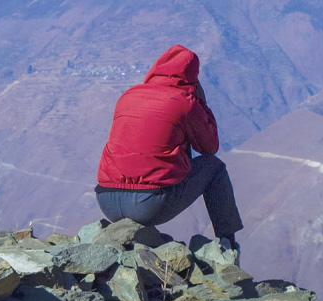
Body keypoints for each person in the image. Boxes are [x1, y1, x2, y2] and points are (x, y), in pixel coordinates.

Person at [95, 44, 244, 252]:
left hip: (106, 200)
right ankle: (228, 246)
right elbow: (209, 148)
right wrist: (201, 103)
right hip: (147, 205)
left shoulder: (128, 96)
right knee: (214, 167)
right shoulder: (184, 102)